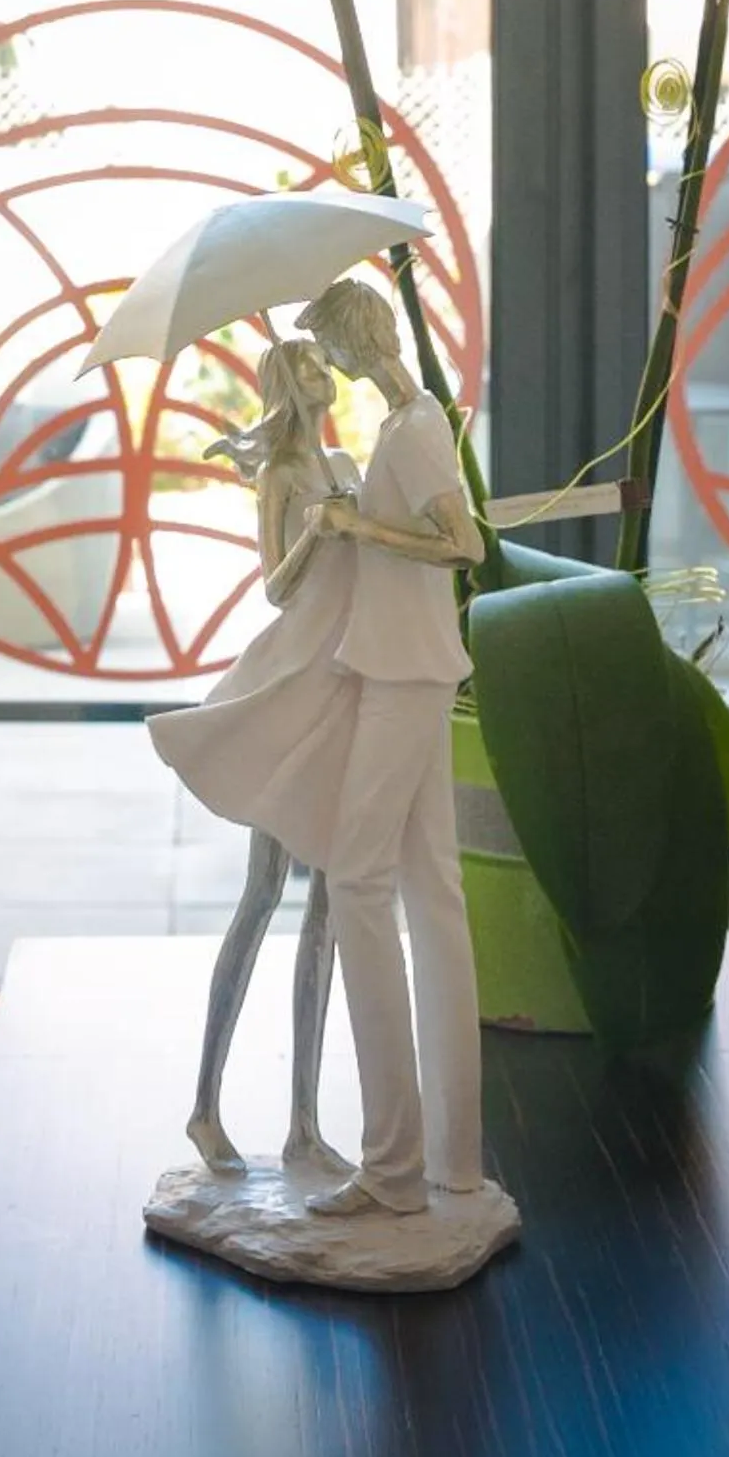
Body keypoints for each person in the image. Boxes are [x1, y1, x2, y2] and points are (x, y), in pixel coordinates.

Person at [291, 273, 486, 1218]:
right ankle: (448, 1158)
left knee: (356, 883)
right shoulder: (407, 420)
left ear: (350, 338)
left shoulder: (412, 427)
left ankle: (392, 1167)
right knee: (431, 893)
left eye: (324, 342)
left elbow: (465, 545)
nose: (321, 360)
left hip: (405, 674)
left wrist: (355, 524)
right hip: (409, 664)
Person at [148, 336, 361, 1178]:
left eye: (323, 365)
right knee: (264, 892)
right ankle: (205, 1106)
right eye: (309, 367)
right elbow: (276, 585)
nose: (325, 375)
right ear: (289, 385)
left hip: (342, 678)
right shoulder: (288, 479)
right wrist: (319, 529)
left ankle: (304, 1121)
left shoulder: (345, 462)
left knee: (332, 900)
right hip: (292, 681)